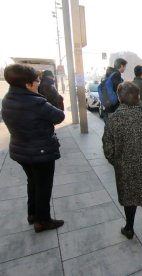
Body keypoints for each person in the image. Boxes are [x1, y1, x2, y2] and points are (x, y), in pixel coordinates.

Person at [1, 64, 65, 232]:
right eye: (36, 81)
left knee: (33, 181)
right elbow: (59, 116)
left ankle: (32, 214)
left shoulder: (7, 99)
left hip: (20, 150)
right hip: (40, 151)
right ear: (27, 84)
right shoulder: (36, 102)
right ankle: (43, 221)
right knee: (43, 186)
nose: (38, 83)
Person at [102, 81, 142, 239]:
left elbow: (108, 148)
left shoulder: (114, 119)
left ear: (119, 98)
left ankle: (129, 228)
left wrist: (117, 163)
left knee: (129, 197)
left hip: (125, 168)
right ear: (138, 96)